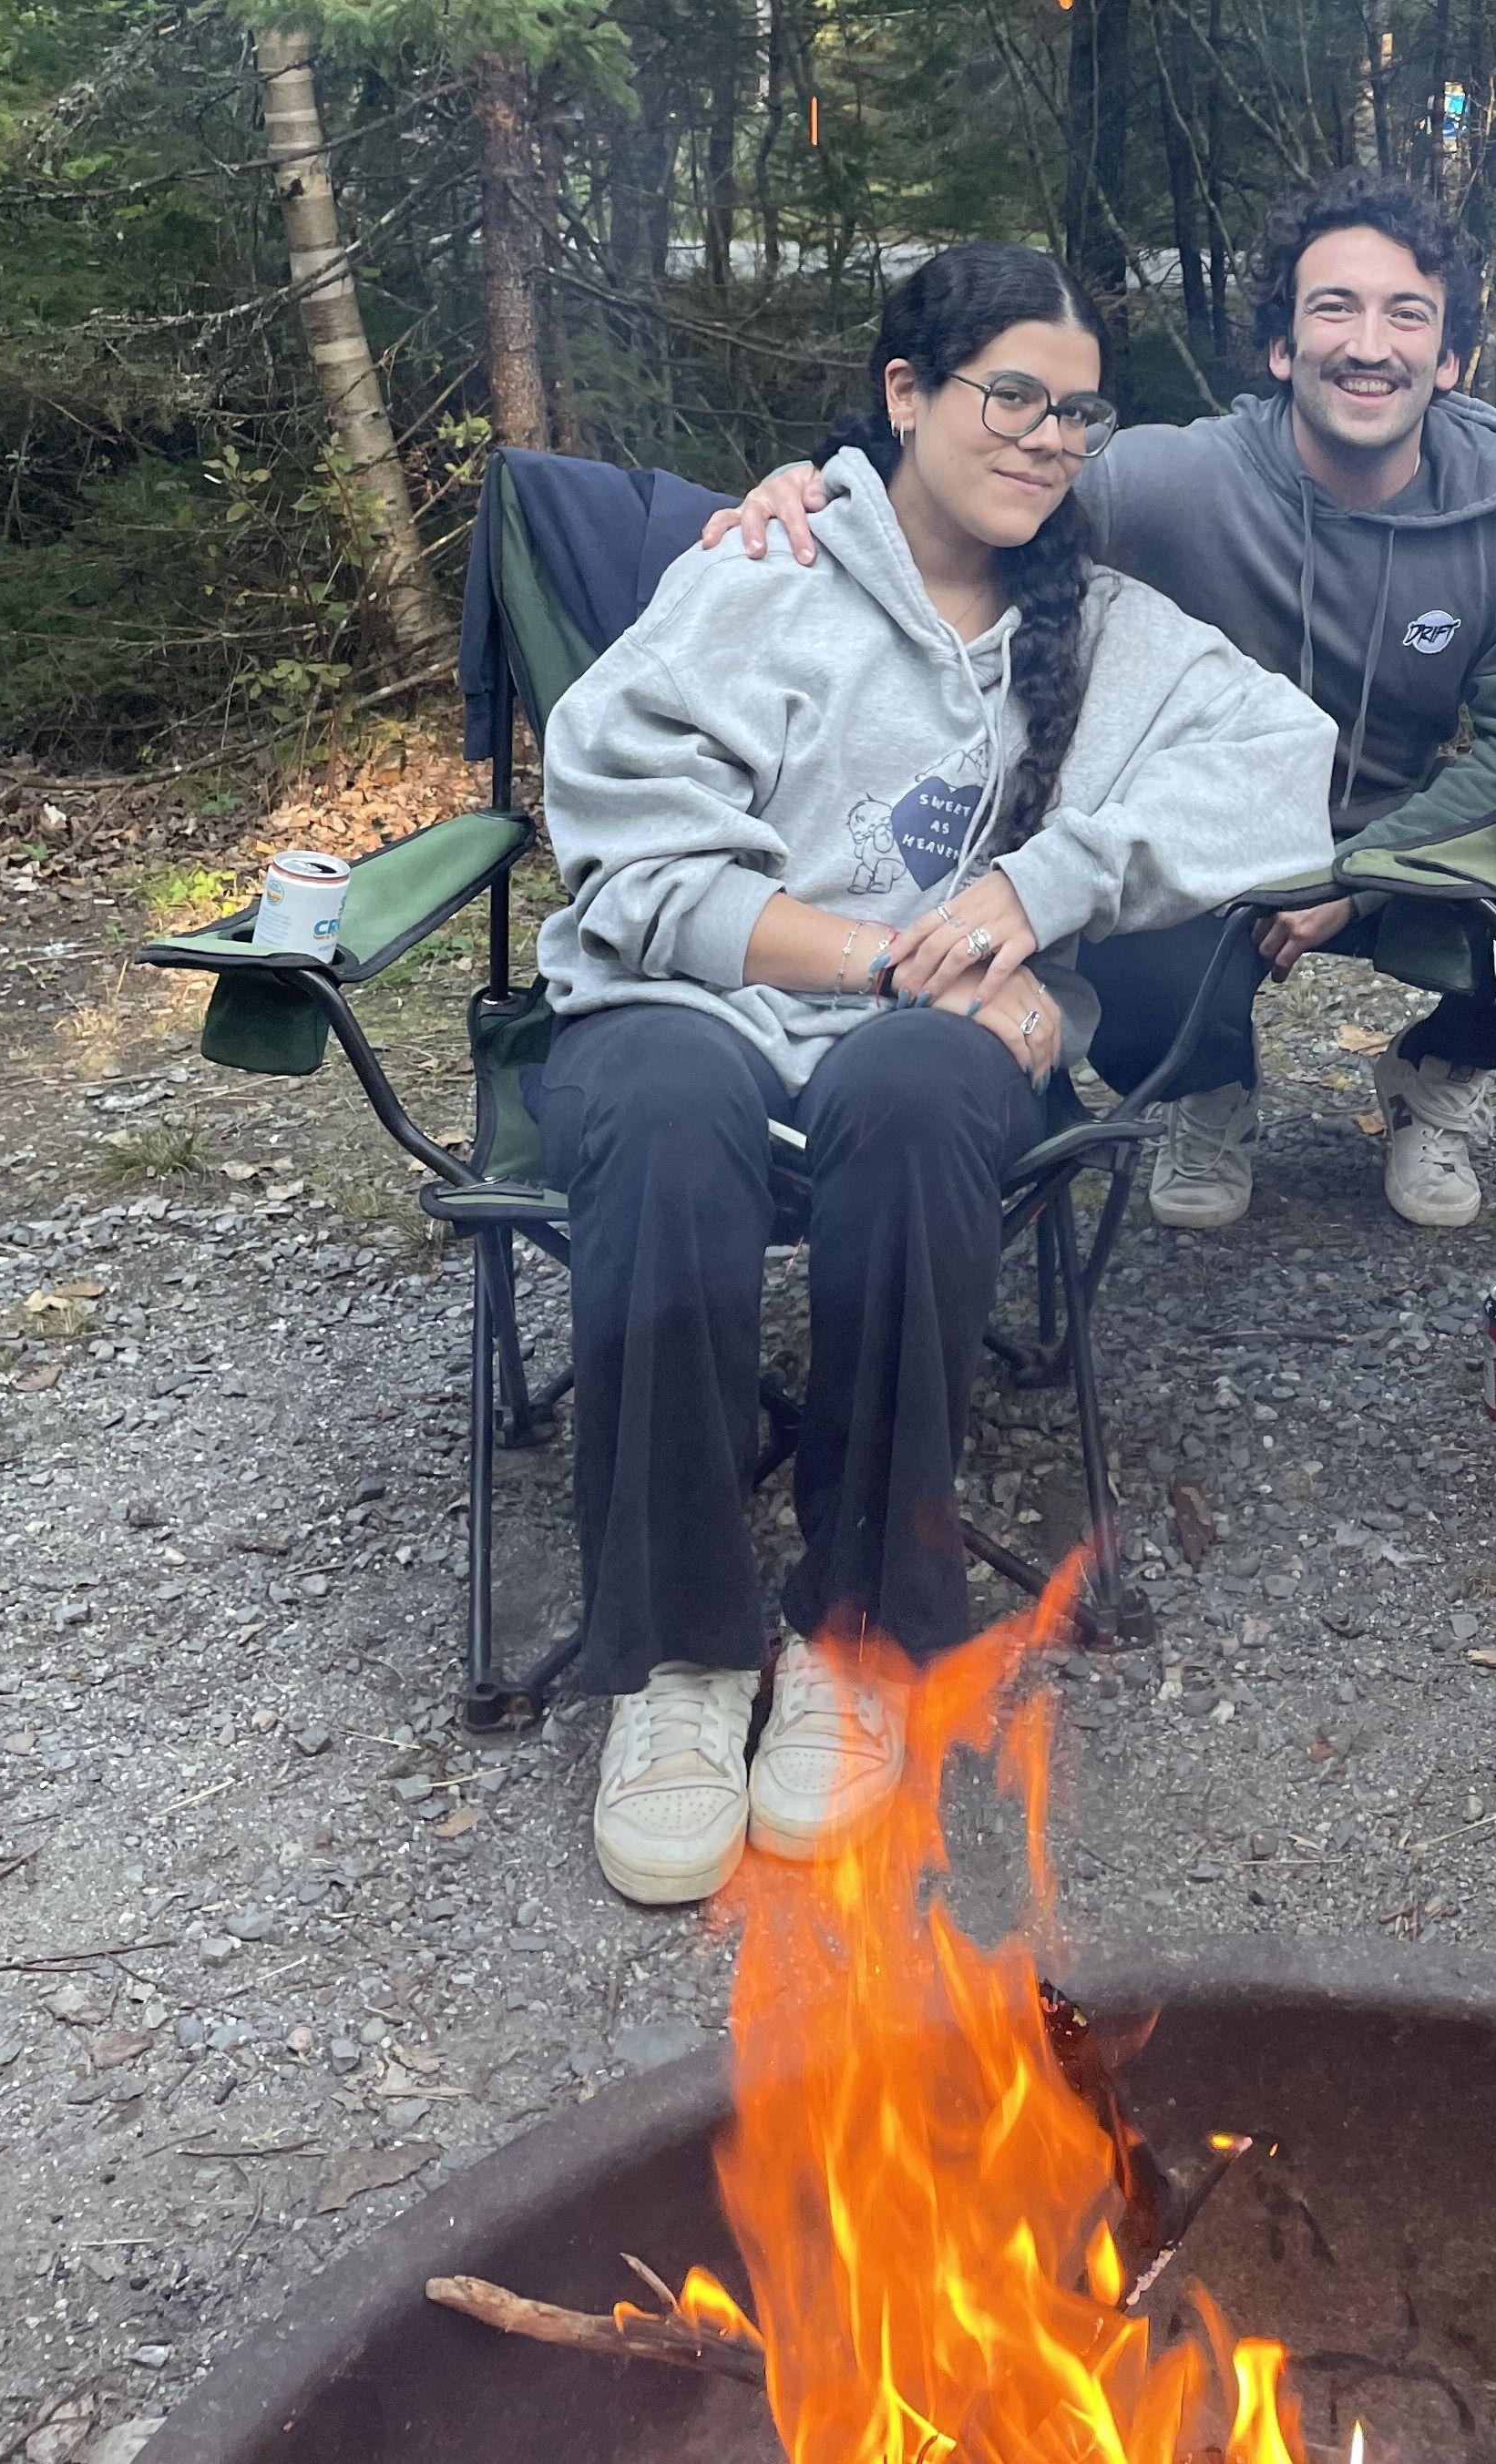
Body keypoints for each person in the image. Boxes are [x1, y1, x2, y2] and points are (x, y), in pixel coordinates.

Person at [530, 244, 1333, 1908]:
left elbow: (1285, 767)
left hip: (914, 1058)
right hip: (697, 997)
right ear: (904, 395)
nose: (1047, 438)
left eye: (1077, 410)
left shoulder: (1100, 627)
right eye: (1009, 396)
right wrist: (890, 954)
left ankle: (855, 1634)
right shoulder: (753, 574)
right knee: (674, 1109)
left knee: (916, 1089)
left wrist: (1045, 895)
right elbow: (628, 855)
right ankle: (675, 1665)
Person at [707, 169, 1496, 1231]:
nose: (1368, 342)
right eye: (1333, 308)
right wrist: (821, 484)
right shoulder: (1170, 481)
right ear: (1279, 348)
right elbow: (975, 470)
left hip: (1404, 842)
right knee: (1092, 884)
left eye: (1407, 314)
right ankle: (1201, 1090)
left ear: (1449, 358)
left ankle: (1438, 1069)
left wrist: (1359, 878)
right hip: (1206, 837)